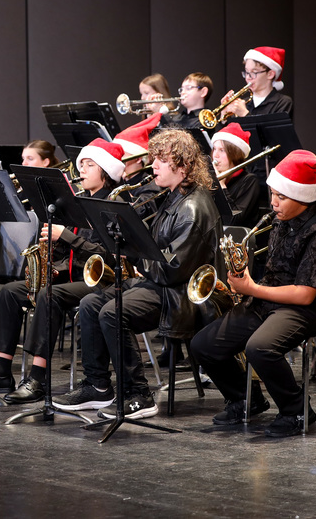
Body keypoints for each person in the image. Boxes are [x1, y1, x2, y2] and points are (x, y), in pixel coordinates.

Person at [53, 129, 222, 419]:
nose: (152, 165)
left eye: (161, 159)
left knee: (111, 312)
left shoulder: (193, 208)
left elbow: (171, 269)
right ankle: (98, 386)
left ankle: (139, 394)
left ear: (183, 166)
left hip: (179, 295)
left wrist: (133, 253)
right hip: (159, 284)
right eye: (153, 158)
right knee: (91, 303)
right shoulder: (173, 196)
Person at [191, 150, 316, 437]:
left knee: (260, 347)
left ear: (304, 197)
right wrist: (244, 277)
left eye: (281, 196)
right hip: (269, 300)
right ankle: (245, 399)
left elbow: (306, 295)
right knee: (202, 345)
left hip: (308, 309)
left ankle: (296, 410)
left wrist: (253, 289)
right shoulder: (280, 220)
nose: (273, 202)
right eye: (272, 194)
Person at [0, 138, 125, 402]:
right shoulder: (77, 203)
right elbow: (65, 251)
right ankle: (2, 371)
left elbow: (107, 256)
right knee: (12, 291)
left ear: (105, 171)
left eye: (89, 165)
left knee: (49, 295)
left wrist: (65, 236)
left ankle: (37, 378)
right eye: (81, 164)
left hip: (98, 281)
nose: (82, 170)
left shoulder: (112, 204)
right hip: (69, 276)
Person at [210, 123, 263, 227]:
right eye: (214, 149)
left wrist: (222, 186)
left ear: (235, 154)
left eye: (222, 150)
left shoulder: (249, 181)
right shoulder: (210, 177)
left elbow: (232, 221)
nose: (215, 155)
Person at [221, 47, 294, 119]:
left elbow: (273, 130)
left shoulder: (282, 102)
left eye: (254, 72)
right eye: (246, 72)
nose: (248, 77)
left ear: (270, 74)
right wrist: (224, 116)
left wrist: (245, 114)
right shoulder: (244, 103)